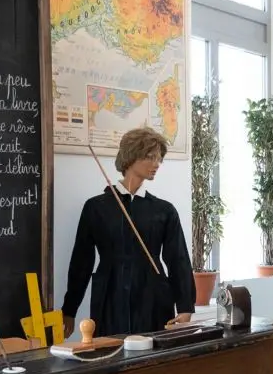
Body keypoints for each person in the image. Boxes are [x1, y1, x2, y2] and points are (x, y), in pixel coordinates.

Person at [61, 127, 195, 338]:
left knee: (154, 353)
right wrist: (69, 310)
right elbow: (81, 261)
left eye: (159, 158)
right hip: (109, 295)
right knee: (110, 351)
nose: (156, 164)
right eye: (150, 157)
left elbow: (178, 260)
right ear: (131, 157)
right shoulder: (96, 207)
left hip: (153, 296)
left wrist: (186, 305)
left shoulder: (164, 210)